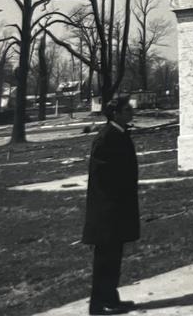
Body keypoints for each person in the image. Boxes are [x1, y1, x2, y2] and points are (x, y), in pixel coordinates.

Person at [81, 97, 139, 315]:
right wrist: (117, 198)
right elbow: (102, 175)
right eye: (127, 110)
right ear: (115, 113)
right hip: (107, 210)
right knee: (104, 260)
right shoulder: (106, 137)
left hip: (118, 208)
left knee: (114, 258)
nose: (131, 113)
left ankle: (111, 299)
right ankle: (96, 307)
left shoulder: (120, 134)